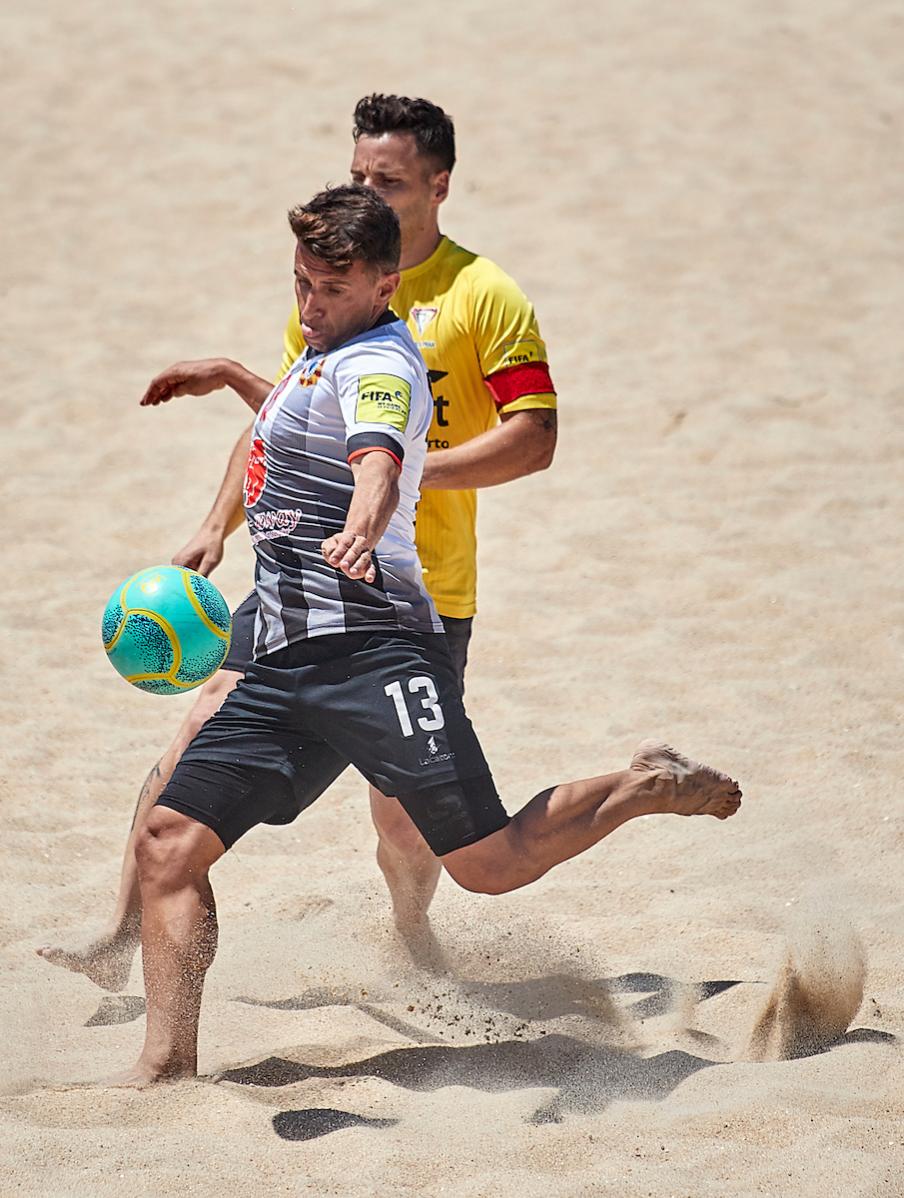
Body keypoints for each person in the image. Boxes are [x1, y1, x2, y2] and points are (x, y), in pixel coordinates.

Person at [111, 184, 741, 1086]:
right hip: (282, 658)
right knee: (168, 843)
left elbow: (375, 452)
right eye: (300, 283)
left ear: (385, 284)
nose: (309, 304)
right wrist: (234, 375)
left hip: (375, 654)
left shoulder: (382, 363)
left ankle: (646, 784)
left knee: (489, 864)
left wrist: (364, 522)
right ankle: (167, 1065)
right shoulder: (323, 348)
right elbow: (303, 413)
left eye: (331, 289)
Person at [37, 95, 558, 984]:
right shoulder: (327, 279)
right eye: (359, 175)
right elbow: (287, 416)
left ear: (439, 186)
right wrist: (214, 524)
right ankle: (121, 937)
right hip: (299, 584)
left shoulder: (484, 295)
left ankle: (413, 940)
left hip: (415, 593)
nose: (368, 192)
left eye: (390, 181)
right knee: (195, 730)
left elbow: (535, 437)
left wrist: (400, 471)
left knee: (404, 823)